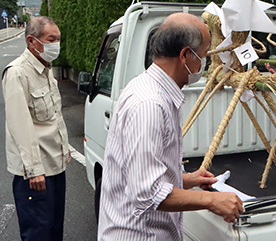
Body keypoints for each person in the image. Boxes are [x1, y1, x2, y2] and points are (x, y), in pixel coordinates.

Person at [98, 13, 244, 241]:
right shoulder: (150, 105)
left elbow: (138, 171)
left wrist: (185, 179)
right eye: (204, 55)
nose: (204, 65)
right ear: (185, 55)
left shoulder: (147, 87)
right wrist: (213, 201)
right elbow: (147, 193)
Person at [2, 16, 69, 241]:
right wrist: (33, 169)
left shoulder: (46, 68)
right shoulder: (17, 73)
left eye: (58, 39)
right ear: (32, 41)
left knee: (53, 229)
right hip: (35, 174)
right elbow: (19, 125)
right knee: (37, 233)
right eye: (51, 39)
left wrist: (64, 147)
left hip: (55, 165)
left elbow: (54, 117)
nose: (56, 44)